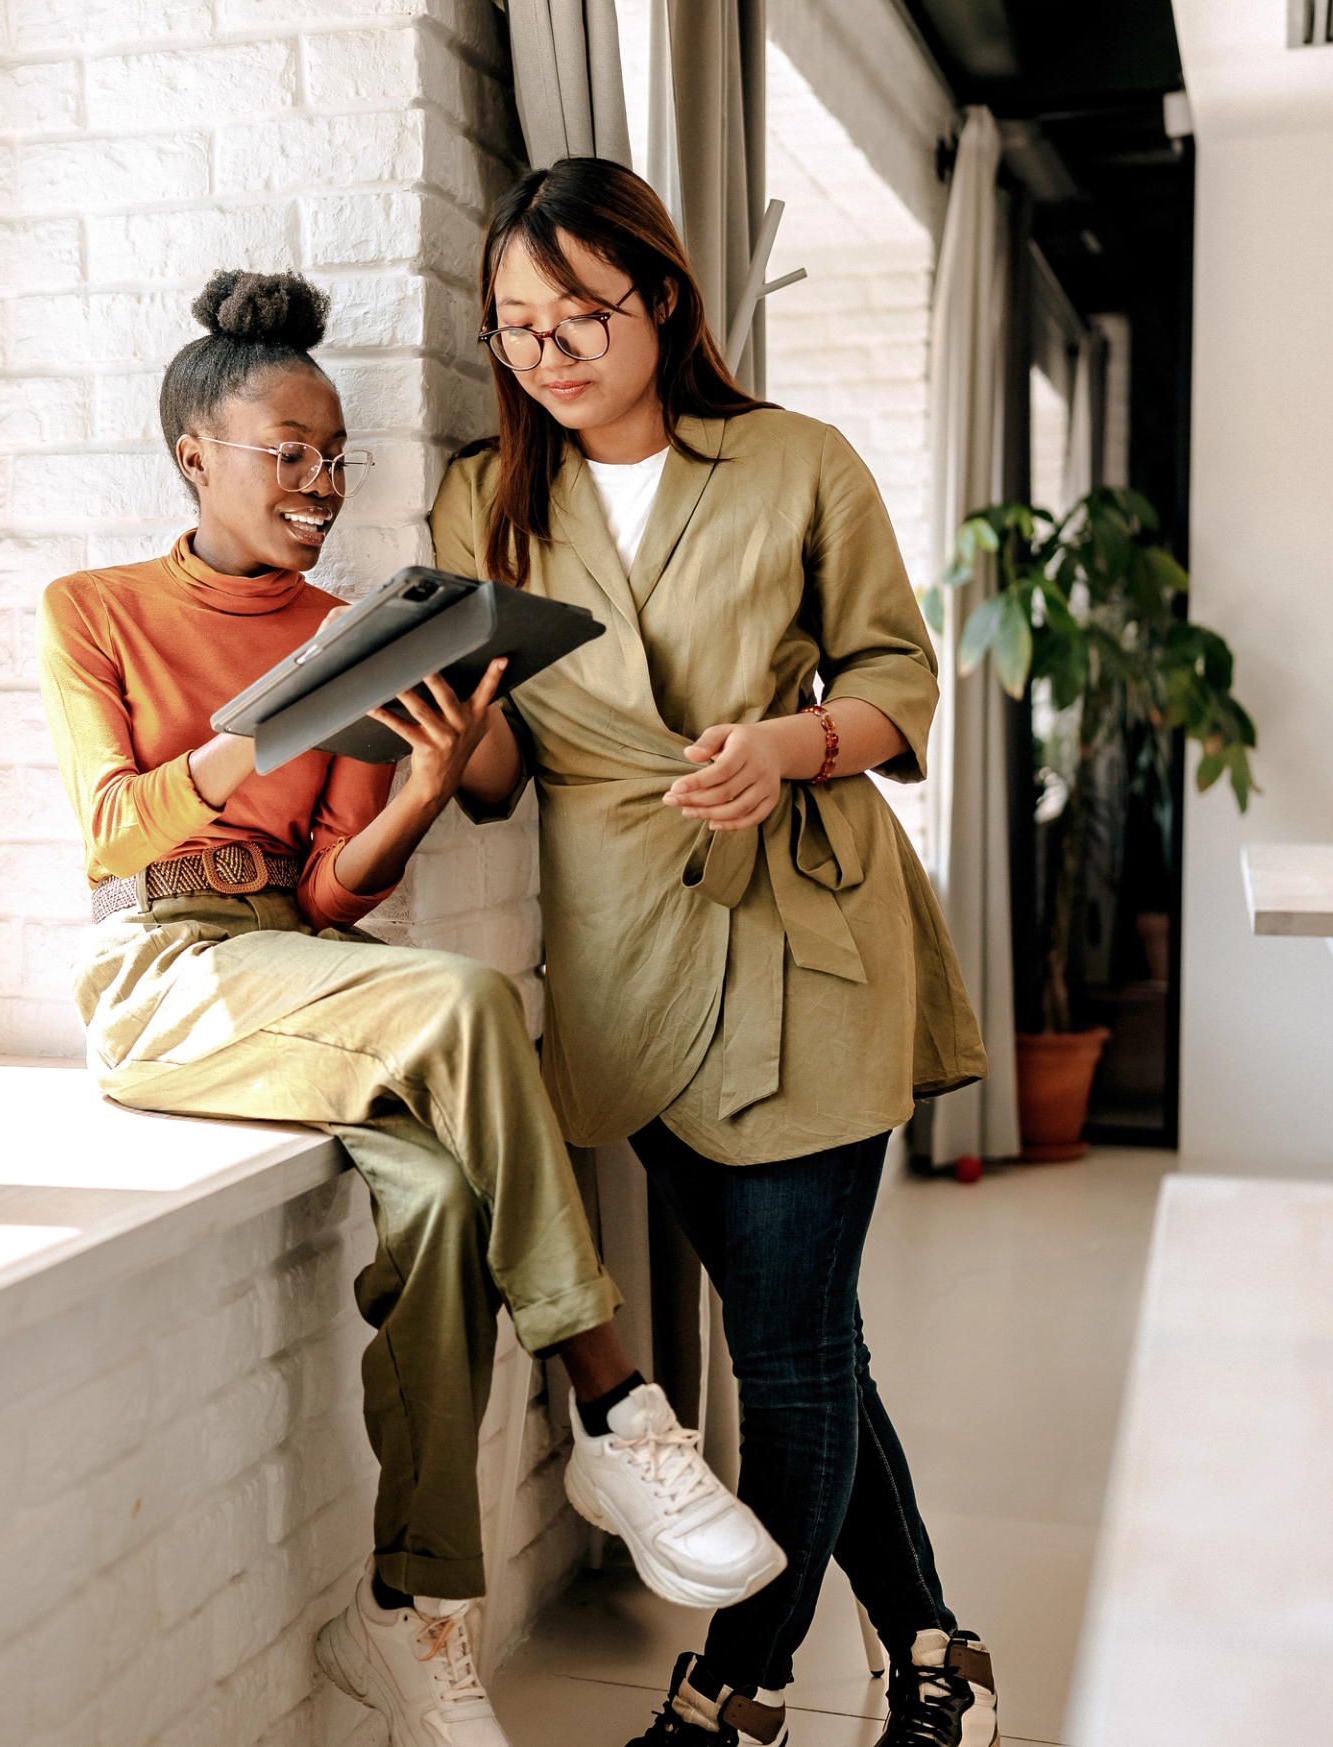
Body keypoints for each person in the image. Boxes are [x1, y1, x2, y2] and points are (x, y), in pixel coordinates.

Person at [36, 269, 785, 1747]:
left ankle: (418, 1610)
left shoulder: (351, 626)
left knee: (442, 1201)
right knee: (462, 997)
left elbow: (330, 901)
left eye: (335, 459)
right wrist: (254, 737)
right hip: (168, 972)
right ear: (196, 454)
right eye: (288, 455)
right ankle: (616, 1403)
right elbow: (111, 825)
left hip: (304, 971)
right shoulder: (91, 609)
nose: (319, 484)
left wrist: (426, 788)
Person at [431, 161, 1001, 1747]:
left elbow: (903, 683)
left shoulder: (794, 462)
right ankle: (939, 1651)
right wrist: (438, 742)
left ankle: (733, 1693)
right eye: (517, 326)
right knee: (811, 1339)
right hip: (625, 952)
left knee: (789, 1352)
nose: (549, 351)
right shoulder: (487, 499)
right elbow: (501, 779)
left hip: (802, 926)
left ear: (663, 300)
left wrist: (797, 744)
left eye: (582, 315)